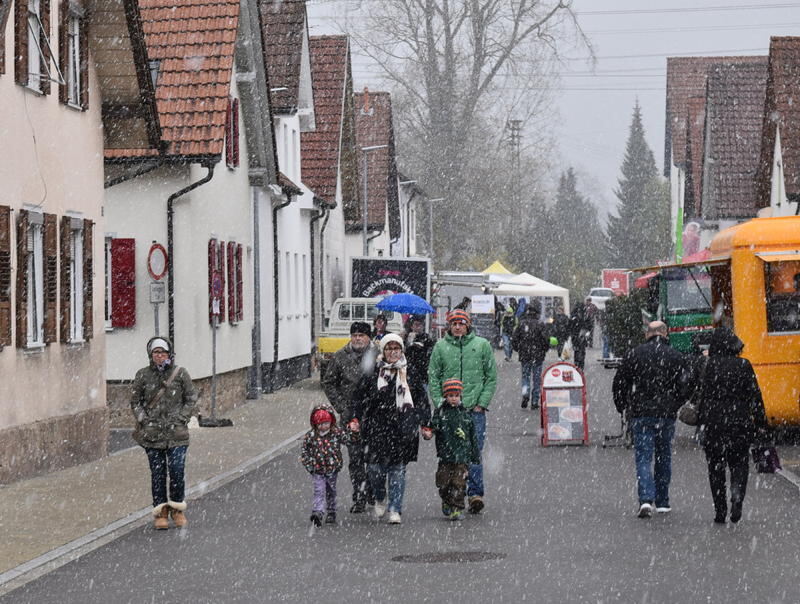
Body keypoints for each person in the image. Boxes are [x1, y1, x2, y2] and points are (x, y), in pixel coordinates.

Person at [613, 321, 691, 518]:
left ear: (647, 334)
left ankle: (646, 500)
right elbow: (687, 384)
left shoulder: (635, 354)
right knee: (664, 456)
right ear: (665, 334)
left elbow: (620, 382)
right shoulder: (675, 356)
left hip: (641, 412)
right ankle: (663, 501)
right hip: (666, 414)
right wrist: (676, 403)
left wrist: (622, 404)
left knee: (643, 456)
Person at [350, 334, 430, 524]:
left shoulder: (409, 373)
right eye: (389, 348)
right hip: (376, 428)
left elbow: (421, 400)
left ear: (402, 351)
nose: (393, 352)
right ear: (383, 351)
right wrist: (355, 418)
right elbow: (358, 397)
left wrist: (426, 424)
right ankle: (379, 497)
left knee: (397, 470)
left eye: (396, 349)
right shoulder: (373, 373)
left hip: (402, 428)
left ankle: (395, 508)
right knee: (375, 470)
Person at [696, 327, 768, 524]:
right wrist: (761, 423)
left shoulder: (706, 365)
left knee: (716, 468)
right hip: (740, 422)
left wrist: (701, 420)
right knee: (739, 464)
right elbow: (755, 396)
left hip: (713, 425)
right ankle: (737, 497)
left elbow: (698, 396)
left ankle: (720, 510)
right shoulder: (744, 365)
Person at [428, 309, 497, 514]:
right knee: (450, 455)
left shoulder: (482, 345)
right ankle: (451, 496)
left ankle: (475, 494)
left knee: (474, 452)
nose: (457, 326)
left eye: (461, 323)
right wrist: (441, 402)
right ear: (449, 326)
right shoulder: (440, 347)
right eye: (454, 323)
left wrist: (481, 403)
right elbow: (433, 377)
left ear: (468, 325)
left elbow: (491, 376)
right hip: (448, 413)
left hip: (473, 410)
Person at [130, 336, 198, 530]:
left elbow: (191, 398)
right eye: (156, 353)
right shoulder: (143, 375)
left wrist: (182, 418)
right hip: (153, 434)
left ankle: (177, 508)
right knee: (158, 473)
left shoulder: (180, 374)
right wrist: (144, 419)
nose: (160, 356)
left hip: (177, 434)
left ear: (170, 354)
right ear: (151, 355)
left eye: (163, 352)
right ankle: (160, 512)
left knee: (177, 471)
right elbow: (135, 402)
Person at [321, 321, 378, 513]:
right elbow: (329, 382)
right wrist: (342, 407)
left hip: (374, 414)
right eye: (355, 335)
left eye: (362, 335)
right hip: (350, 415)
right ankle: (359, 495)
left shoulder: (378, 356)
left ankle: (373, 489)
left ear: (368, 337)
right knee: (355, 457)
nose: (358, 338)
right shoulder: (340, 357)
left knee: (374, 456)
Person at [422, 378, 480, 521]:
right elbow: (433, 425)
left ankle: (457, 507)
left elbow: (472, 436)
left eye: (456, 395)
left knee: (459, 483)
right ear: (445, 396)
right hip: (446, 454)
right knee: (443, 482)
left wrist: (474, 455)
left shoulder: (465, 414)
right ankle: (446, 500)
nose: (453, 399)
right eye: (450, 396)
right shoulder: (441, 412)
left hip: (462, 456)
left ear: (460, 396)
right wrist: (429, 433)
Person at [300, 403, 359, 527]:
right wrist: (310, 465)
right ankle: (318, 511)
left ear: (331, 422)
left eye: (326, 423)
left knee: (331, 490)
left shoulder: (335, 433)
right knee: (319, 490)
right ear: (315, 424)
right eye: (321, 424)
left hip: (332, 469)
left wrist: (354, 432)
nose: (324, 426)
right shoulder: (311, 436)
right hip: (317, 469)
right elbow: (305, 452)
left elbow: (348, 440)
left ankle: (331, 510)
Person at [511, 302, 550, 409]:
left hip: (525, 355)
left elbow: (514, 339)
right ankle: (534, 401)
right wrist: (544, 350)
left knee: (525, 376)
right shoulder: (540, 324)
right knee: (537, 379)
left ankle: (525, 393)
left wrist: (518, 349)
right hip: (538, 355)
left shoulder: (521, 324)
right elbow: (546, 340)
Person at [402, 314, 434, 387]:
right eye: (416, 325)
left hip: (422, 370)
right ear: (411, 326)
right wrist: (409, 342)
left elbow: (430, 350)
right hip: (409, 370)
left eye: (420, 325)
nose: (418, 327)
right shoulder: (407, 336)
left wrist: (422, 347)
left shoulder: (426, 338)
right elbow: (404, 351)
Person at [569, 300, 592, 369]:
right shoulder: (585, 315)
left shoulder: (574, 316)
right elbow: (589, 325)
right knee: (581, 351)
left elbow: (570, 325)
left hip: (576, 336)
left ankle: (577, 364)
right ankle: (580, 365)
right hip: (582, 336)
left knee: (577, 351)